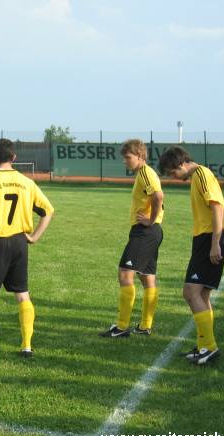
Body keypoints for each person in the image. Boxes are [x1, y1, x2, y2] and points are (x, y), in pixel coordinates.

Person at [0, 138, 54, 356]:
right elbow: (48, 211)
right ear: (14, 157)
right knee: (22, 294)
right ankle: (26, 346)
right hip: (19, 243)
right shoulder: (27, 182)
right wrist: (34, 237)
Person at [158, 145, 224, 365]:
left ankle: (209, 347)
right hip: (203, 239)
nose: (173, 177)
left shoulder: (202, 175)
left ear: (181, 164)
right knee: (202, 295)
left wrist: (215, 244)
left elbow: (217, 208)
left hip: (210, 239)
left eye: (173, 172)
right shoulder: (197, 177)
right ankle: (204, 346)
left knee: (190, 292)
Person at [100, 139, 164, 338]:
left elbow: (158, 196)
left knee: (125, 274)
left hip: (145, 231)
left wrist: (150, 220)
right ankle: (145, 326)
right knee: (147, 277)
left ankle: (122, 327)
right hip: (152, 231)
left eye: (128, 157)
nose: (125, 161)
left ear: (140, 156)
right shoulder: (145, 173)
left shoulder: (145, 173)